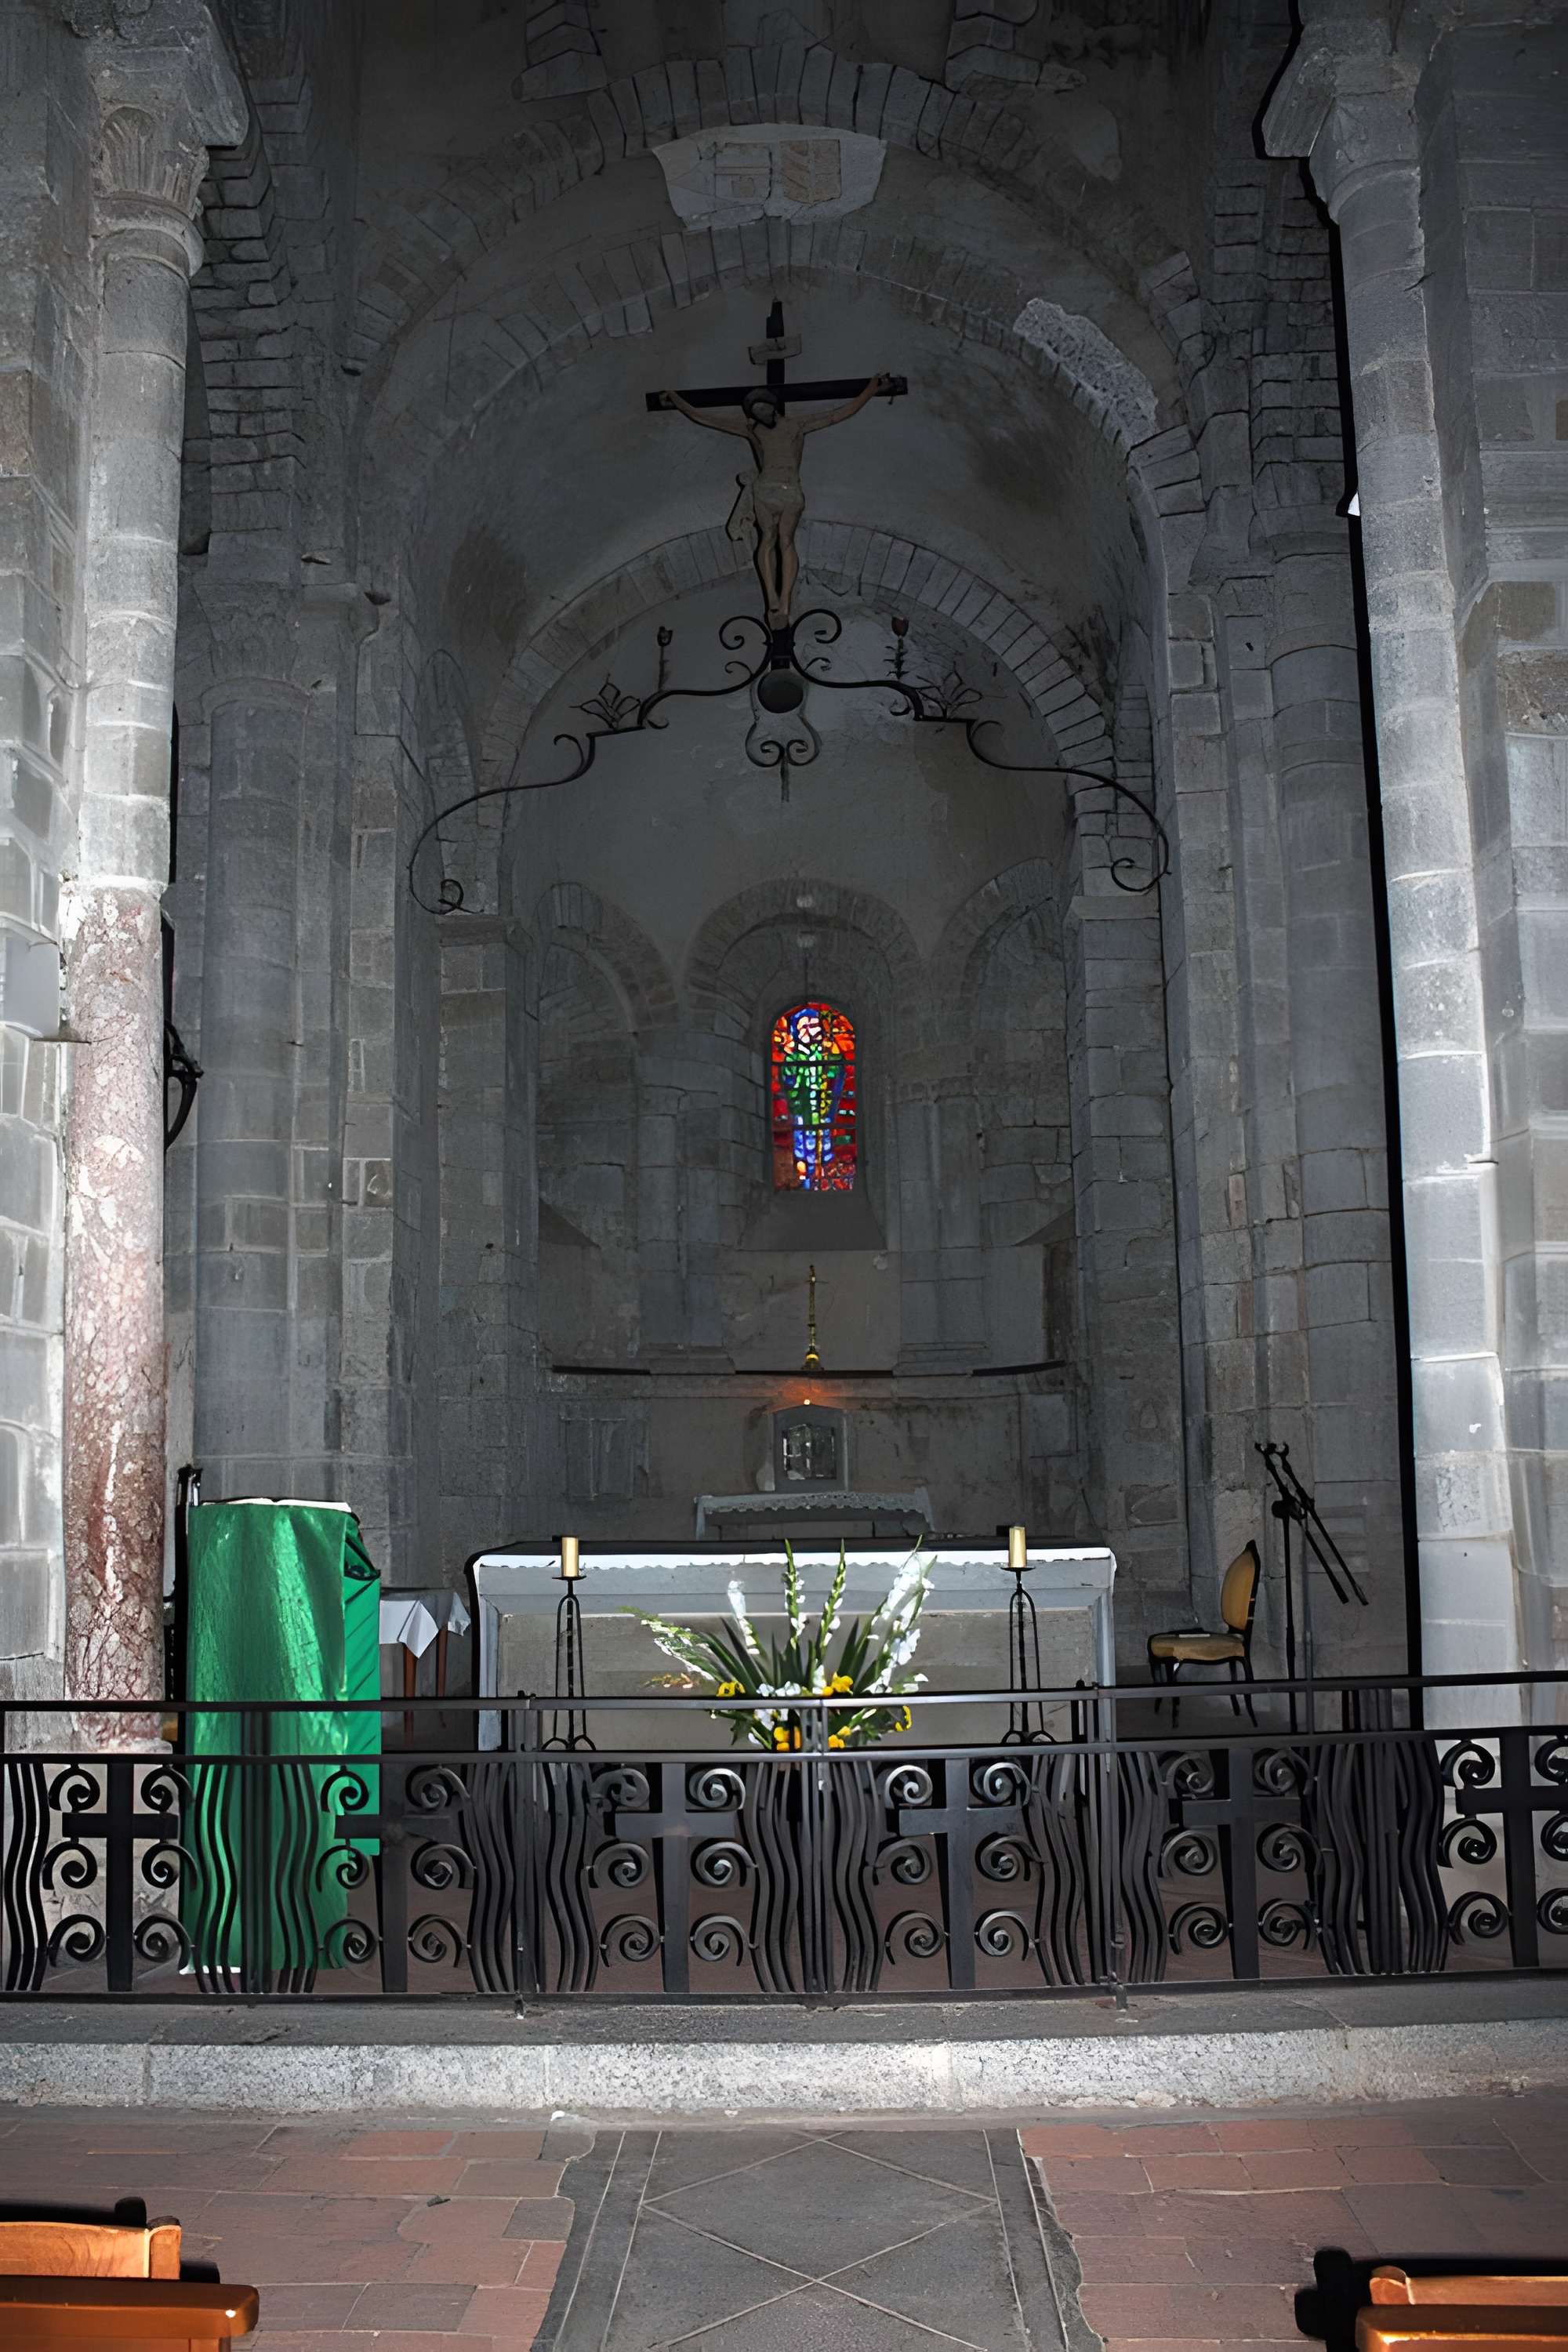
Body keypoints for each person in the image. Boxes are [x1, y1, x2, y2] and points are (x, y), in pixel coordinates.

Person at [657, 373, 894, 626]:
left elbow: (838, 413)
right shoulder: (752, 430)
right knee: (767, 539)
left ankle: (785, 602)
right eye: (755, 410)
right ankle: (772, 596)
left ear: (773, 407)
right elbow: (705, 418)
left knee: (786, 539)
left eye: (763, 407)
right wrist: (676, 400)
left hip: (789, 490)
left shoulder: (796, 425)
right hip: (764, 491)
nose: (760, 413)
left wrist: (870, 390)